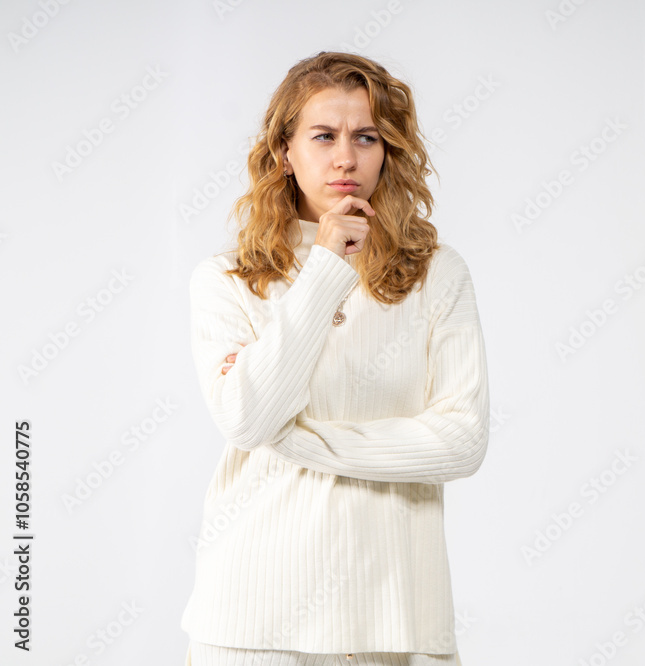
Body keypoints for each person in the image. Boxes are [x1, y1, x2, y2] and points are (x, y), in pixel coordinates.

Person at [179, 51, 489, 666]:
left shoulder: (436, 274)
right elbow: (246, 420)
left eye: (366, 137)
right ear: (284, 152)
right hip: (252, 625)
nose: (346, 158)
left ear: (388, 151)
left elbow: (462, 442)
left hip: (396, 625)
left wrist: (300, 441)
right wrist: (323, 268)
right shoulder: (227, 279)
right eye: (323, 136)